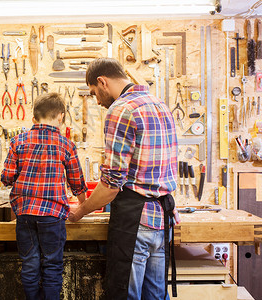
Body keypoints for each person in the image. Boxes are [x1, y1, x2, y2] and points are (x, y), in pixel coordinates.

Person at [69, 58, 179, 300]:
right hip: (162, 220)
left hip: (135, 223)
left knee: (125, 295)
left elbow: (111, 184)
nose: (97, 101)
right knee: (156, 296)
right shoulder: (160, 104)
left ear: (102, 81)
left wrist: (80, 211)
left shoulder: (121, 110)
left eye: (94, 93)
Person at [1, 92, 87, 300]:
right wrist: (83, 206)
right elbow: (77, 183)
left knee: (30, 264)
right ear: (61, 116)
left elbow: (6, 178)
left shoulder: (18, 141)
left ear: (33, 118)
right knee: (52, 265)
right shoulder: (66, 144)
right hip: (52, 215)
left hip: (25, 213)